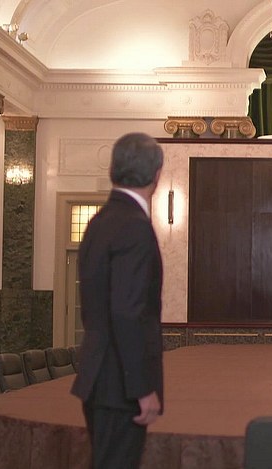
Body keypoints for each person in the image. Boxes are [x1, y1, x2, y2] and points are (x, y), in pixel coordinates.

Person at [71, 132, 165, 469]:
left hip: (100, 379)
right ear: (156, 175)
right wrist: (142, 388)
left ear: (113, 170)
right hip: (121, 386)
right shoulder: (135, 226)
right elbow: (127, 312)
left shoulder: (99, 222)